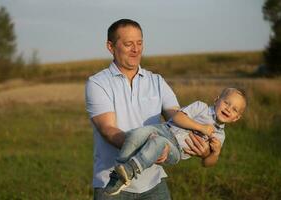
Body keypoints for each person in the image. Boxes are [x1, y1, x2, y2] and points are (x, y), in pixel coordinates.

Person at [85, 18, 211, 200]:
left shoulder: (157, 81)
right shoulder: (97, 83)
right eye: (128, 44)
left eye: (139, 43)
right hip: (111, 184)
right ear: (110, 46)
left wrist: (201, 136)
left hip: (153, 183)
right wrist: (152, 148)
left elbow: (177, 117)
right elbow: (108, 130)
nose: (136, 50)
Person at [104, 87, 247, 196]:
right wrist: (201, 128)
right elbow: (177, 118)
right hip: (165, 129)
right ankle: (118, 174)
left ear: (236, 118)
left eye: (234, 109)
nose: (228, 109)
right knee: (139, 132)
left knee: (158, 142)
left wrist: (215, 153)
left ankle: (130, 169)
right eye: (226, 103)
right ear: (217, 100)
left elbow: (208, 163)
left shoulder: (220, 135)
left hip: (176, 150)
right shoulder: (200, 107)